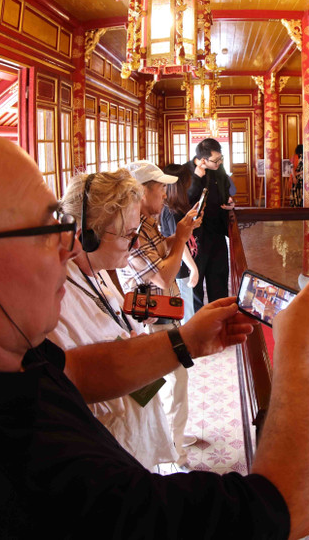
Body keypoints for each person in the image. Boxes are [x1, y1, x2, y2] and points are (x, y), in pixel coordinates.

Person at [0, 134, 309, 540]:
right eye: (48, 230)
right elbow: (290, 504)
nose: (67, 246)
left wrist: (184, 339)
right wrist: (296, 355)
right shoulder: (51, 477)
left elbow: (76, 368)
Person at [49, 170, 176, 469]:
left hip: (134, 427)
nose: (134, 245)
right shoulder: (55, 302)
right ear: (87, 236)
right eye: (128, 235)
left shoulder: (99, 271)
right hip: (109, 453)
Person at [119, 160, 201, 465]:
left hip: (163, 313)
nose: (165, 196)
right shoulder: (134, 229)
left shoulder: (147, 222)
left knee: (175, 385)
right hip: (152, 321)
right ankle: (172, 455)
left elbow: (160, 252)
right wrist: (180, 237)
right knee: (171, 386)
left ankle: (174, 439)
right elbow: (163, 276)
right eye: (161, 190)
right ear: (141, 193)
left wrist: (181, 233)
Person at [188, 138, 236, 311]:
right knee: (196, 284)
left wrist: (230, 203)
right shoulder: (187, 172)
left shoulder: (218, 168)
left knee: (219, 280)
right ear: (202, 160)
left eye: (221, 158)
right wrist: (196, 178)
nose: (220, 163)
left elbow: (225, 189)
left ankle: (219, 316)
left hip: (217, 233)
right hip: (196, 238)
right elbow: (186, 201)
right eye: (216, 160)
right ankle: (198, 324)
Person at [159, 163, 200, 323]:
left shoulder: (178, 206)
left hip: (185, 265)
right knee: (186, 310)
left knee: (188, 305)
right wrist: (193, 268)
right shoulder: (171, 211)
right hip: (181, 268)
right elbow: (179, 243)